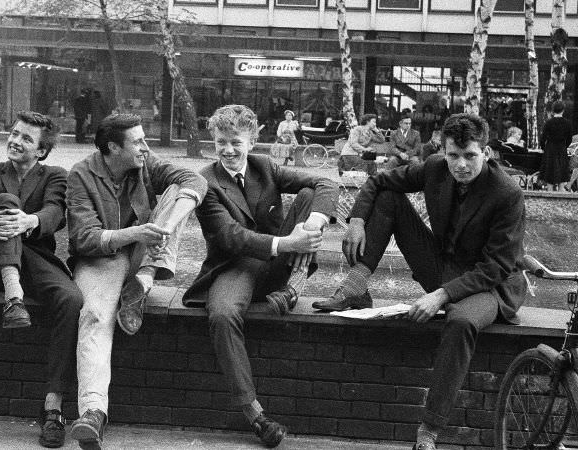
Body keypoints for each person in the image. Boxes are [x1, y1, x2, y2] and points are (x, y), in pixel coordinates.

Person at [312, 113, 526, 450]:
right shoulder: (435, 167)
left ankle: (429, 431)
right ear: (443, 149)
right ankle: (355, 286)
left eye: (470, 156)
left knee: (461, 322)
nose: (460, 165)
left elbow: (496, 266)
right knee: (389, 197)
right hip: (444, 265)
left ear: (486, 152)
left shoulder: (507, 194)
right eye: (453, 155)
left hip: (490, 285)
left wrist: (441, 295)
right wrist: (356, 220)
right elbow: (378, 182)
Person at [182, 104, 338, 448]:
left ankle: (294, 287)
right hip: (235, 265)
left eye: (235, 141)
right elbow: (229, 237)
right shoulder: (205, 181)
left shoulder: (265, 167)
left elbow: (326, 182)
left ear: (252, 140)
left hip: (276, 264)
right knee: (221, 314)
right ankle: (255, 414)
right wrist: (288, 241)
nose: (228, 150)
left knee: (311, 195)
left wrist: (315, 222)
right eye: (221, 141)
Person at [66, 113, 207, 449]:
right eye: (138, 141)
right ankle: (93, 413)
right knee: (94, 317)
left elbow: (196, 180)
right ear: (113, 147)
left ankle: (142, 282)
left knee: (179, 190)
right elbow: (83, 238)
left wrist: (164, 228)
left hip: (143, 253)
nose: (146, 147)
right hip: (101, 257)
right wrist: (134, 232)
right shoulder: (81, 174)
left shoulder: (147, 162)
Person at [0, 111, 82, 448]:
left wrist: (29, 222)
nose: (15, 140)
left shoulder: (56, 175)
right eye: (14, 133)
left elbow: (55, 212)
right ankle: (13, 295)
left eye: (26, 138)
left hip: (34, 261)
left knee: (72, 300)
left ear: (41, 151)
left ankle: (53, 407)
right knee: (4, 201)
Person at [540, 101, 572, 191]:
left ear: (553, 110)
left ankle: (550, 191)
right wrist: (565, 146)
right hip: (561, 148)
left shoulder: (548, 122)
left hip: (550, 148)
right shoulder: (567, 123)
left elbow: (543, 138)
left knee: (550, 169)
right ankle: (560, 191)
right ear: (563, 110)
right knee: (562, 170)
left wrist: (543, 148)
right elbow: (569, 138)